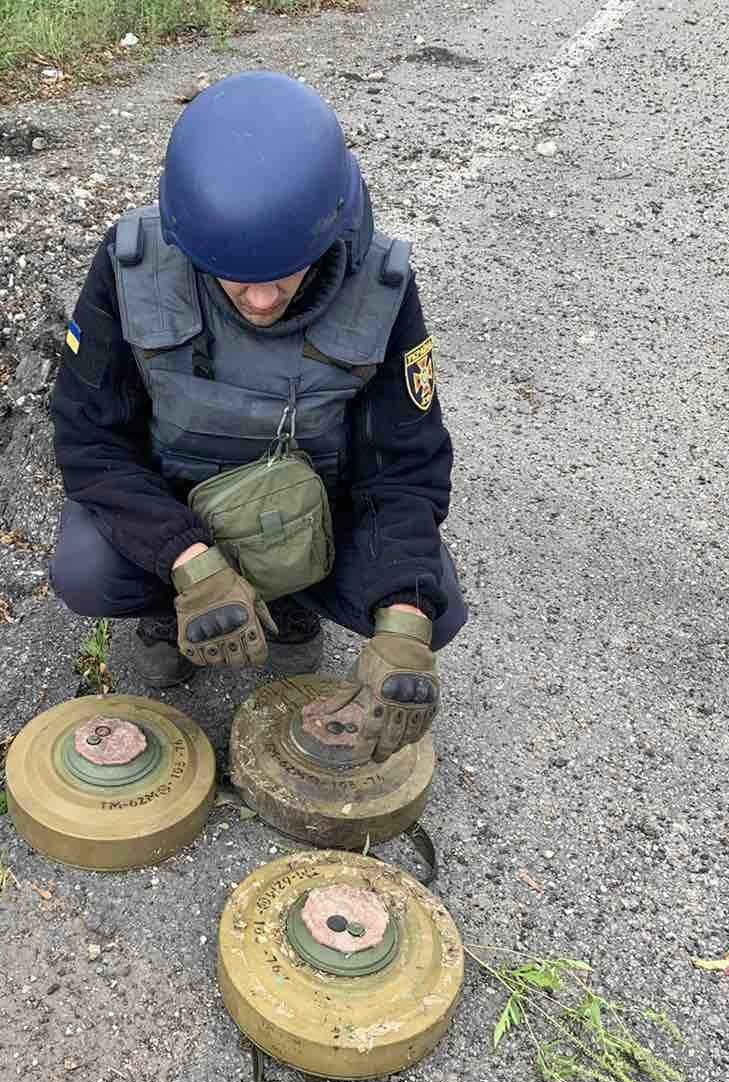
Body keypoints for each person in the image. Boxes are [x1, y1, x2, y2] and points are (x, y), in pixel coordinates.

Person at [48, 69, 466, 763]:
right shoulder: (132, 266)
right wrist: (189, 563)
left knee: (434, 604)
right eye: (234, 274)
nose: (264, 300)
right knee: (87, 568)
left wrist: (404, 621)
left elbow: (407, 466)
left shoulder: (381, 290)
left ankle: (294, 599)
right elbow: (89, 440)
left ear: (332, 230)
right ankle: (164, 614)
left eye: (285, 270)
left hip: (314, 515)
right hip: (177, 509)